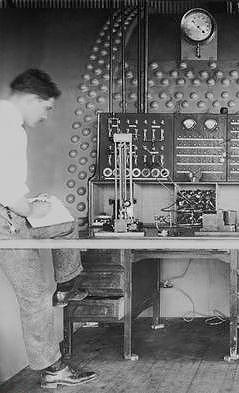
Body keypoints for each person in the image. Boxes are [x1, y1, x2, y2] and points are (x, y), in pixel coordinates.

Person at [0, 69, 96, 388]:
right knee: (36, 297)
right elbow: (5, 187)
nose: (46, 116)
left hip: (12, 215)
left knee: (64, 223)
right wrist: (30, 208)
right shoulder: (8, 127)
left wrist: (33, 204)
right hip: (7, 224)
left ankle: (67, 284)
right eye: (46, 108)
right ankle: (53, 369)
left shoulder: (8, 121)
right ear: (31, 99)